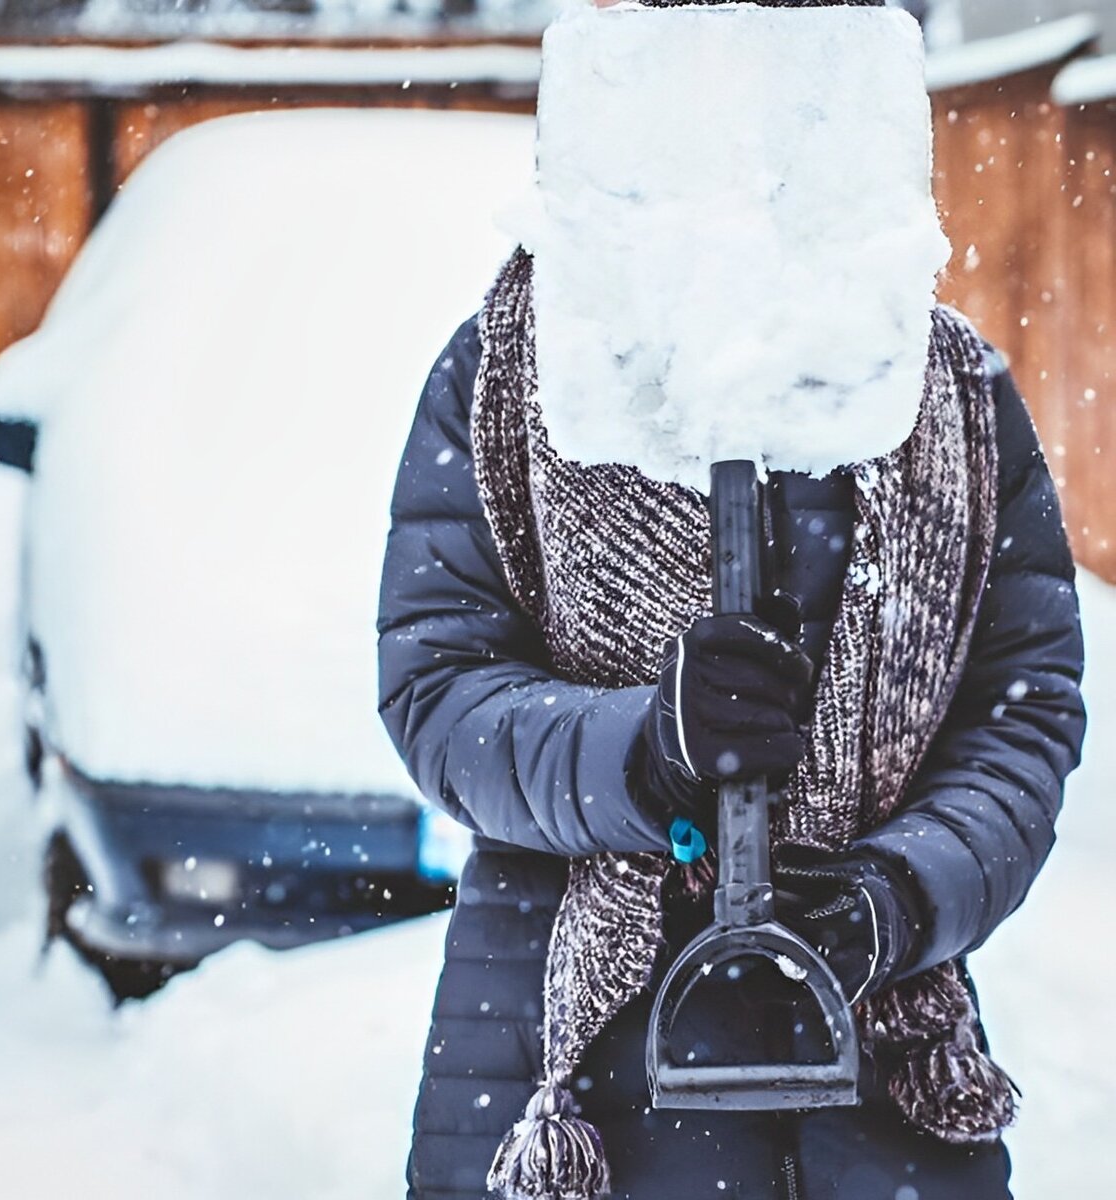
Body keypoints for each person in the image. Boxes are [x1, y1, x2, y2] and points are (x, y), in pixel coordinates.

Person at [376, 6, 1085, 1199]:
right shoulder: (513, 380)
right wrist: (640, 752)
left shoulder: (949, 401)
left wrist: (896, 896)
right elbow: (438, 692)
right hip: (562, 1070)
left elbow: (1021, 717)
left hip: (876, 1076)